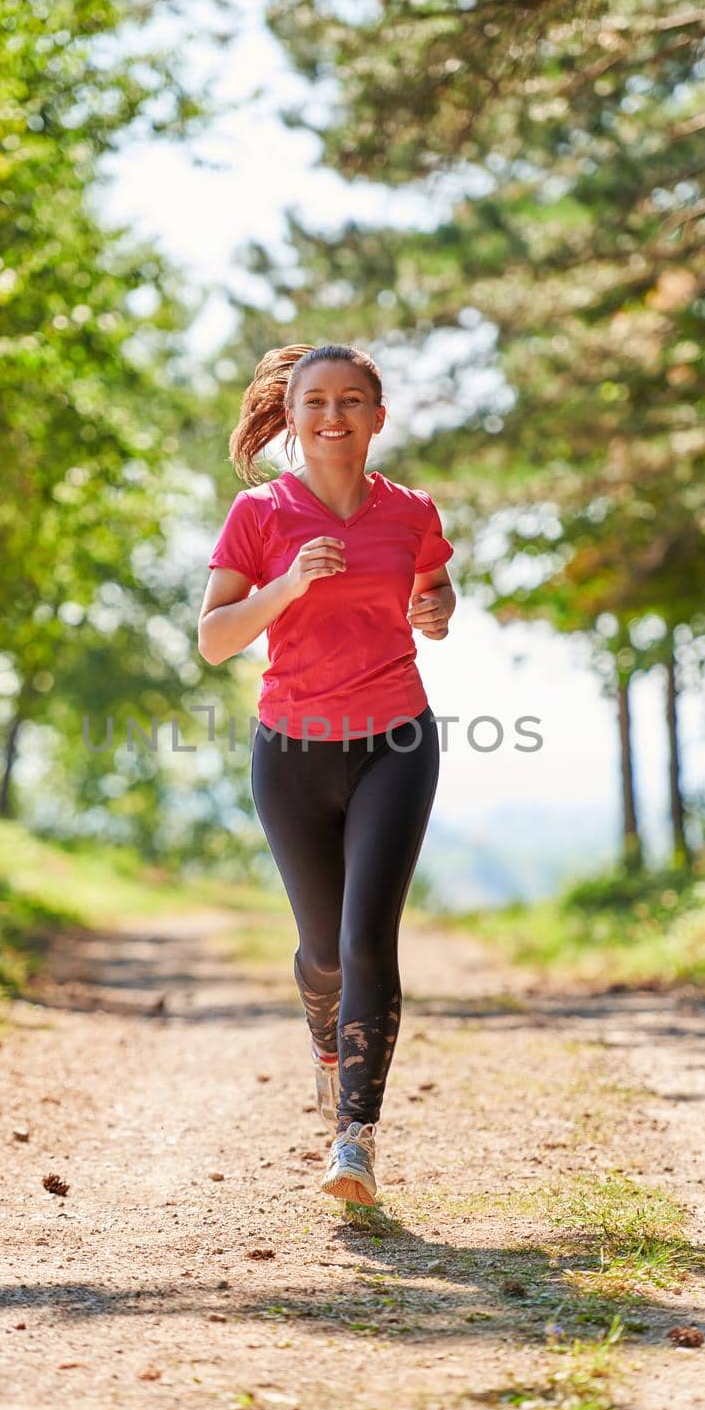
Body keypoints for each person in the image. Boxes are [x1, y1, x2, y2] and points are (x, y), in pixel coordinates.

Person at [198, 343, 456, 1206]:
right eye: (314, 400)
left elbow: (434, 584)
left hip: (397, 739)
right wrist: (285, 590)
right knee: (321, 952)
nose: (332, 415)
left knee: (365, 939)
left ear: (378, 418)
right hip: (292, 749)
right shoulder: (259, 513)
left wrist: (436, 607)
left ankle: (355, 1140)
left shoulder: (411, 510)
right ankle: (322, 1038)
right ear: (291, 415)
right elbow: (214, 638)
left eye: (352, 400)